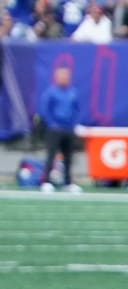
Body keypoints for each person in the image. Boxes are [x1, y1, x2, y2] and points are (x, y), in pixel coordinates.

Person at [37, 64, 82, 194]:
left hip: (68, 129)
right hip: (55, 129)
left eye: (66, 76)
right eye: (62, 75)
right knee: (51, 156)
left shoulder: (73, 92)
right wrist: (52, 123)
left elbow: (76, 109)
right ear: (56, 77)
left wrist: (74, 124)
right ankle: (46, 181)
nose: (64, 78)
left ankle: (67, 182)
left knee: (68, 157)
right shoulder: (51, 92)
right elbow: (45, 110)